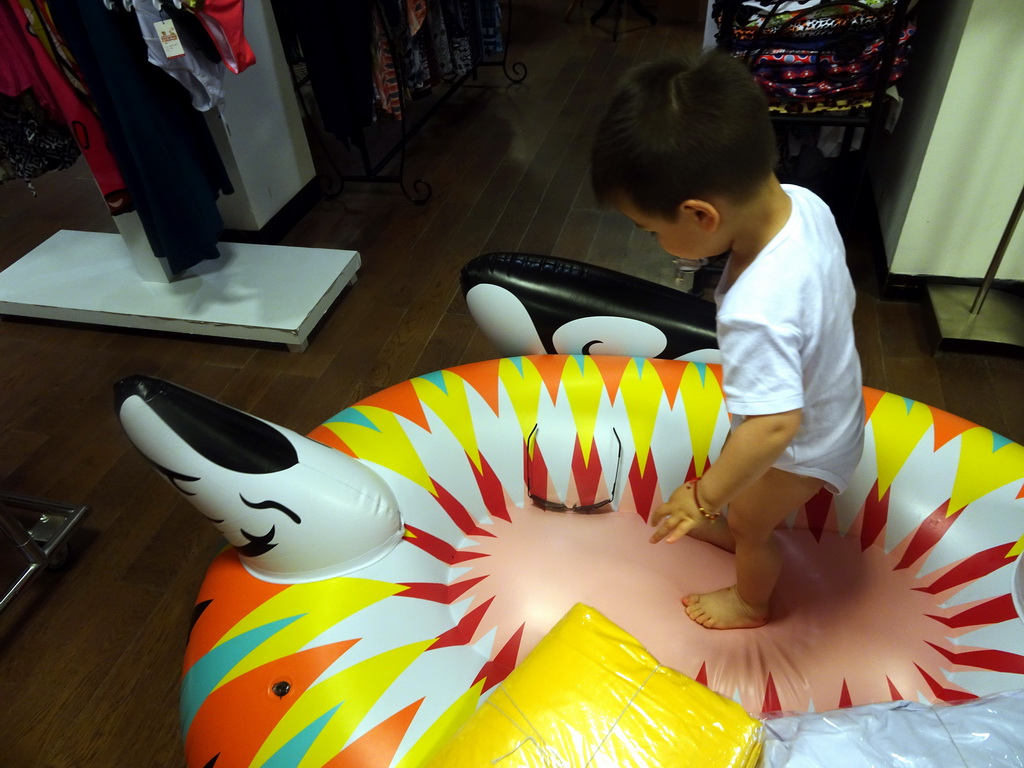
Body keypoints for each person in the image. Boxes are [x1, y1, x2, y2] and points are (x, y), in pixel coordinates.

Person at [590, 51, 865, 630]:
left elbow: (773, 426)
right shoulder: (805, 204)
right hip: (834, 404)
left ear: (700, 215)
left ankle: (751, 602)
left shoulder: (756, 308)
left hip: (804, 446)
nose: (655, 240)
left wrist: (703, 498)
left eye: (653, 229)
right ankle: (733, 514)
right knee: (742, 490)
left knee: (749, 524)